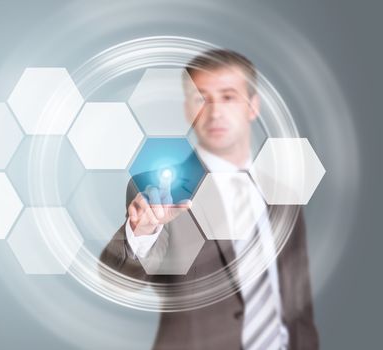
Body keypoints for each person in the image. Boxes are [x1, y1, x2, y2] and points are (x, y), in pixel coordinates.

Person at [100, 49, 319, 350]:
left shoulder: (285, 199)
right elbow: (117, 280)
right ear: (188, 109)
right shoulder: (158, 192)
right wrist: (142, 232)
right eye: (201, 98)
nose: (214, 112)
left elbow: (297, 306)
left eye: (228, 96)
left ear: (252, 106)